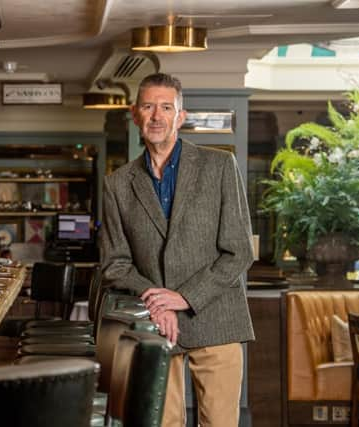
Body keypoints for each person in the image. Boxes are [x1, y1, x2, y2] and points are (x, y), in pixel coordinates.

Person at [100, 73, 255, 427]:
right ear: (134, 114)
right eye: (148, 106)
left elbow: (239, 252)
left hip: (216, 319)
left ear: (180, 116)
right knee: (161, 423)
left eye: (166, 107)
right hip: (155, 326)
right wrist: (157, 300)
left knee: (218, 422)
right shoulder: (118, 184)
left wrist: (183, 297)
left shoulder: (219, 167)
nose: (157, 116)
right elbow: (115, 263)